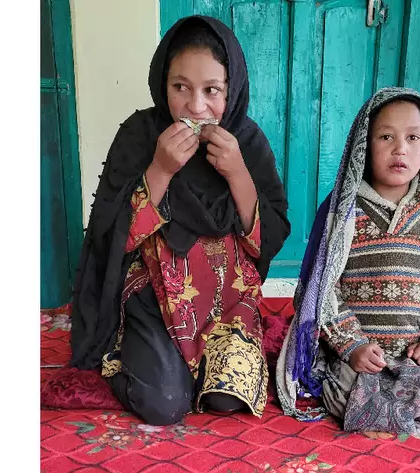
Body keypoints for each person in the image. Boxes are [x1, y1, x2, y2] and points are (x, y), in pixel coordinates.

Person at [69, 16, 291, 426]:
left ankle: (194, 363)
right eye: (180, 88)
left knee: (228, 400)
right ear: (162, 83)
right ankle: (125, 355)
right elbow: (112, 235)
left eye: (213, 90)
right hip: (154, 292)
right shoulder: (140, 134)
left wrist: (239, 173)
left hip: (227, 297)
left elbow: (271, 234)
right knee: (164, 404)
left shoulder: (248, 141)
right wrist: (161, 168)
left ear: (233, 89)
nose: (196, 106)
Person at [277, 87, 420, 437]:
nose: (400, 149)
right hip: (361, 352)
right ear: (364, 146)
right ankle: (373, 399)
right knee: (348, 396)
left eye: (413, 137)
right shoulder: (343, 213)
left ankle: (406, 396)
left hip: (415, 353)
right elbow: (324, 290)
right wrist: (352, 346)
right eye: (386, 137)